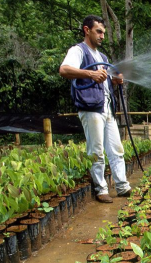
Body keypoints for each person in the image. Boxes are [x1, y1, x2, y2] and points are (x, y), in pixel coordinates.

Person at [59, 15, 131, 203]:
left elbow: (104, 81)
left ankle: (122, 186)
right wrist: (90, 73)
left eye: (103, 33)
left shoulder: (103, 57)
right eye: (98, 31)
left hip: (106, 108)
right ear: (86, 30)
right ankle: (101, 189)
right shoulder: (78, 50)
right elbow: (64, 70)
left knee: (116, 148)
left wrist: (114, 81)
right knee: (96, 150)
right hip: (91, 108)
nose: (102, 36)